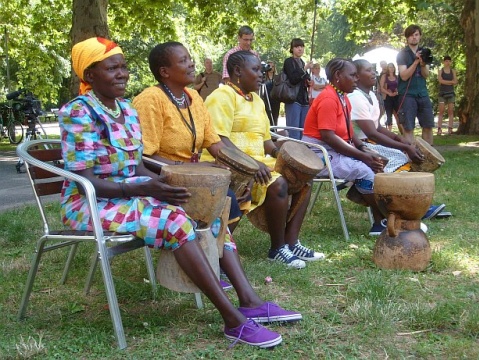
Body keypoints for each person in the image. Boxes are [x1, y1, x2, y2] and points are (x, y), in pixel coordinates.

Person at [60, 37, 301, 349]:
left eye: (123, 67)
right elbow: (84, 181)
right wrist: (145, 187)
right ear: (90, 76)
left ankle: (249, 300)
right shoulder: (79, 113)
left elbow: (136, 166)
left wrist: (172, 185)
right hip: (91, 203)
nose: (122, 74)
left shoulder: (125, 110)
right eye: (111, 69)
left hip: (128, 194)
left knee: (208, 210)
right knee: (174, 221)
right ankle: (233, 321)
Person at [204, 50, 325, 269]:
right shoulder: (221, 97)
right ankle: (277, 249)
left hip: (258, 162)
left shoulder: (257, 100)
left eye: (261, 69)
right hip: (226, 162)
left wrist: (289, 156)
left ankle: (291, 242)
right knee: (277, 182)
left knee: (303, 178)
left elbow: (267, 143)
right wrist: (252, 164)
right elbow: (218, 140)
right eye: (256, 69)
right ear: (238, 72)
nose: (262, 74)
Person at [349, 59, 446, 222]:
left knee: (403, 155)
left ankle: (413, 205)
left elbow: (378, 127)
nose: (373, 72)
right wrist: (404, 147)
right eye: (368, 70)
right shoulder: (355, 97)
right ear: (356, 76)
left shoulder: (370, 95)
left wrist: (400, 140)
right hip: (358, 145)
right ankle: (399, 206)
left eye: (373, 69)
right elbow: (371, 133)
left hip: (368, 142)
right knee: (399, 158)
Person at [301, 58, 387, 236]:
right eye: (353, 75)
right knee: (365, 170)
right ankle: (381, 222)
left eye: (357, 75)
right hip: (320, 155)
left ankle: (379, 213)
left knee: (378, 164)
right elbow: (328, 136)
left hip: (337, 150)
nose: (356, 79)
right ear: (338, 76)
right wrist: (362, 157)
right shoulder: (328, 98)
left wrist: (364, 149)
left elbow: (349, 132)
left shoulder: (342, 96)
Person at [396, 24, 435, 145]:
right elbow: (404, 75)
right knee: (408, 127)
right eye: (411, 35)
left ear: (420, 36)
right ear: (407, 38)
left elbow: (426, 75)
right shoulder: (402, 54)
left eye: (416, 34)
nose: (414, 37)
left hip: (422, 93)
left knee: (428, 126)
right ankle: (410, 157)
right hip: (407, 95)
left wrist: (423, 64)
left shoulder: (425, 52)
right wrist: (416, 61)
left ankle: (430, 158)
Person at [283, 38, 313, 139]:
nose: (300, 49)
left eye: (301, 46)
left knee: (303, 130)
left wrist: (309, 82)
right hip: (293, 98)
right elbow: (293, 79)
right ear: (292, 49)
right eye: (297, 47)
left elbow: (304, 79)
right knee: (294, 131)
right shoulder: (288, 61)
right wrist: (304, 69)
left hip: (303, 100)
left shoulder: (302, 62)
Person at [379, 62, 403, 133]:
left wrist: (396, 92)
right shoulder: (384, 76)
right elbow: (381, 87)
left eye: (393, 67)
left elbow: (400, 87)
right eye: (390, 67)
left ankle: (402, 130)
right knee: (389, 114)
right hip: (388, 97)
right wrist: (389, 93)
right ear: (388, 68)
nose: (391, 68)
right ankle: (389, 131)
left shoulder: (397, 77)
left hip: (396, 97)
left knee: (399, 113)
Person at [437, 55, 458, 135]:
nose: (448, 62)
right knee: (441, 111)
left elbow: (455, 82)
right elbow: (440, 81)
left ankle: (450, 129)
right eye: (446, 61)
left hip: (451, 93)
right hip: (442, 93)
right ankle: (439, 129)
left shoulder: (453, 71)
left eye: (449, 61)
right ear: (443, 62)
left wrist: (446, 81)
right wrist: (451, 82)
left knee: (450, 111)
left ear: (451, 62)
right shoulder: (441, 71)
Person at [263, 60, 281, 125]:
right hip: (265, 98)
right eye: (269, 66)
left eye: (273, 66)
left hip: (275, 100)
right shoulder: (263, 77)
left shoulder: (277, 77)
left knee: (275, 116)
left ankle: (274, 129)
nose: (271, 68)